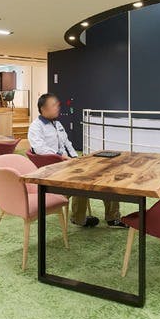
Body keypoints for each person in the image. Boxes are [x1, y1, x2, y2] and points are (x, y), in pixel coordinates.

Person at [28, 93, 125, 228]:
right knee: (82, 181)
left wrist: (75, 158)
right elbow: (39, 149)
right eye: (53, 105)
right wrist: (60, 156)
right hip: (54, 172)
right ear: (43, 109)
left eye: (57, 105)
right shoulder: (36, 127)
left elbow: (67, 143)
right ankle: (79, 218)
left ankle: (113, 217)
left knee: (104, 174)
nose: (57, 107)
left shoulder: (57, 123)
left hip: (67, 166)